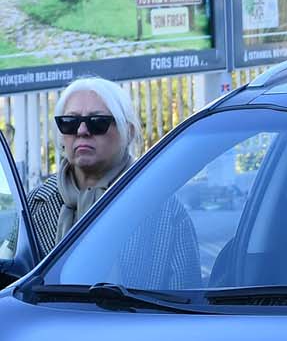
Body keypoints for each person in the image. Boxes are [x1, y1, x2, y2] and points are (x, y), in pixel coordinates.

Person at [26, 76, 198, 283]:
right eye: (70, 123)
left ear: (129, 132)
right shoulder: (35, 204)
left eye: (98, 122)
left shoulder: (164, 209)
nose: (82, 131)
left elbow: (184, 295)